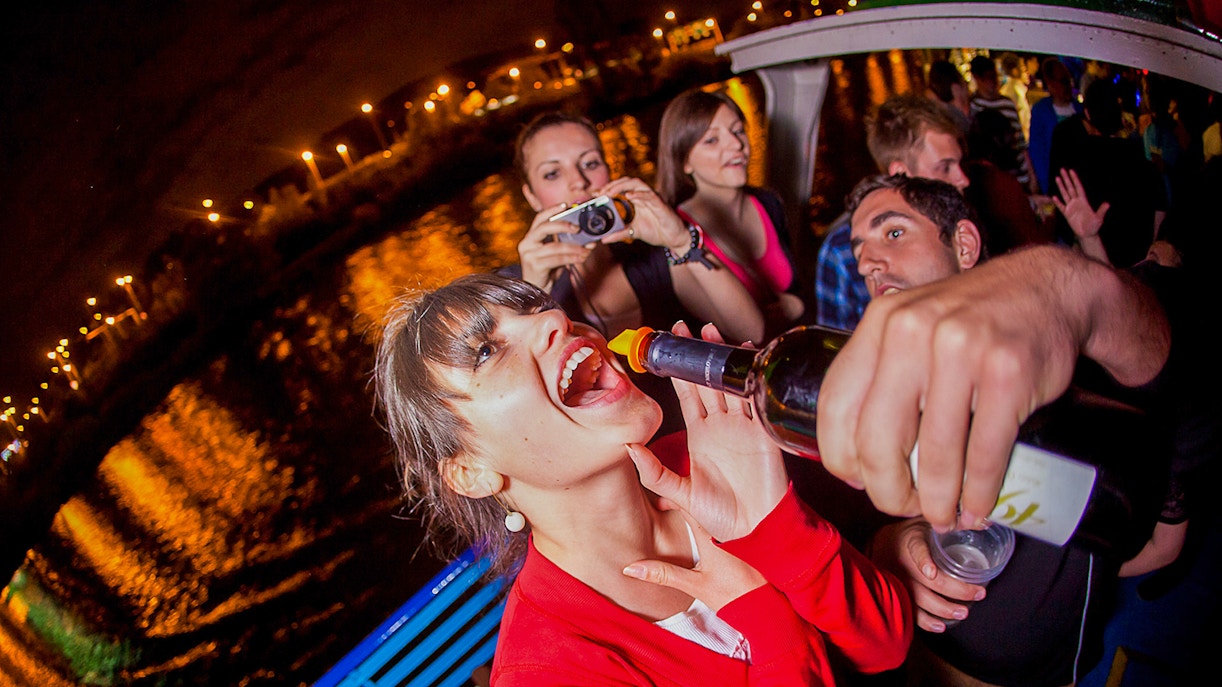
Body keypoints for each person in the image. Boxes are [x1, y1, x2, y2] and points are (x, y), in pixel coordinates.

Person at [372, 271, 912, 685]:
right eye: (487, 351)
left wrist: (774, 525)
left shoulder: (704, 464)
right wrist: (770, 627)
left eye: (538, 307)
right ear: (471, 471)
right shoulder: (547, 667)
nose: (553, 320)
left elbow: (886, 645)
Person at [829, 173, 1195, 686]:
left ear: (963, 244)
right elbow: (848, 528)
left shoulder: (1069, 371)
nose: (866, 262)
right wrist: (889, 547)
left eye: (892, 233)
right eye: (859, 248)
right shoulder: (869, 381)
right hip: (914, 662)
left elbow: (1161, 538)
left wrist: (1071, 286)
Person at [507, 111, 765, 438]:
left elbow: (751, 330)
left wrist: (681, 239)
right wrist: (531, 296)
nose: (579, 183)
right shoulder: (514, 289)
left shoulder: (648, 254)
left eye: (589, 163)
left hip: (700, 433)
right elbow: (526, 425)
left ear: (608, 172)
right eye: (553, 173)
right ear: (530, 195)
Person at [814, 93, 1044, 329]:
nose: (963, 179)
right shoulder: (840, 252)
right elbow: (837, 349)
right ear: (900, 174)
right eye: (945, 167)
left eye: (960, 163)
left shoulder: (972, 220)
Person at [656, 88, 807, 338]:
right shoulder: (676, 236)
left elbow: (801, 285)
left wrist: (795, 304)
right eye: (712, 140)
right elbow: (743, 333)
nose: (736, 144)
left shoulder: (768, 203)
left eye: (737, 131)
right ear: (684, 161)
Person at [1048, 78, 1167, 268]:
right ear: (1120, 116)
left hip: (1095, 273)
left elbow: (1070, 230)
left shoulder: (1078, 168)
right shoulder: (1147, 167)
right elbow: (1159, 226)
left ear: (1087, 114)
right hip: (1138, 275)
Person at [969, 55, 1037, 193]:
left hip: (1020, 176)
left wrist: (1032, 177)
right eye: (988, 77)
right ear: (977, 78)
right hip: (994, 181)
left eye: (995, 76)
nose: (993, 81)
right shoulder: (973, 107)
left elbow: (1021, 144)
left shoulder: (1007, 103)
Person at [1027, 57, 1082, 195]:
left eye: (1069, 80)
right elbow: (1037, 151)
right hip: (1056, 186)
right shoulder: (1040, 111)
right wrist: (1047, 187)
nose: (1069, 86)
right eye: (1063, 81)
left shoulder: (1080, 108)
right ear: (1050, 83)